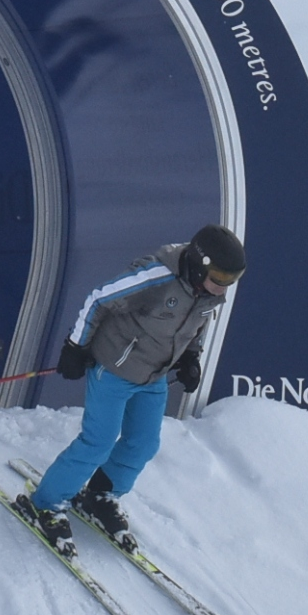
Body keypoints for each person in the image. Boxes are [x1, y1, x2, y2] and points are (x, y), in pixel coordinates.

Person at [19, 225, 245, 555]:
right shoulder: (158, 274)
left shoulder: (208, 290)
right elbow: (99, 298)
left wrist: (190, 358)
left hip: (152, 376)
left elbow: (196, 323)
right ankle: (45, 503)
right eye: (219, 277)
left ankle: (101, 496)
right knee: (98, 442)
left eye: (231, 279)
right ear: (199, 264)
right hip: (113, 367)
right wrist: (75, 346)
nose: (224, 286)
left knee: (144, 443)